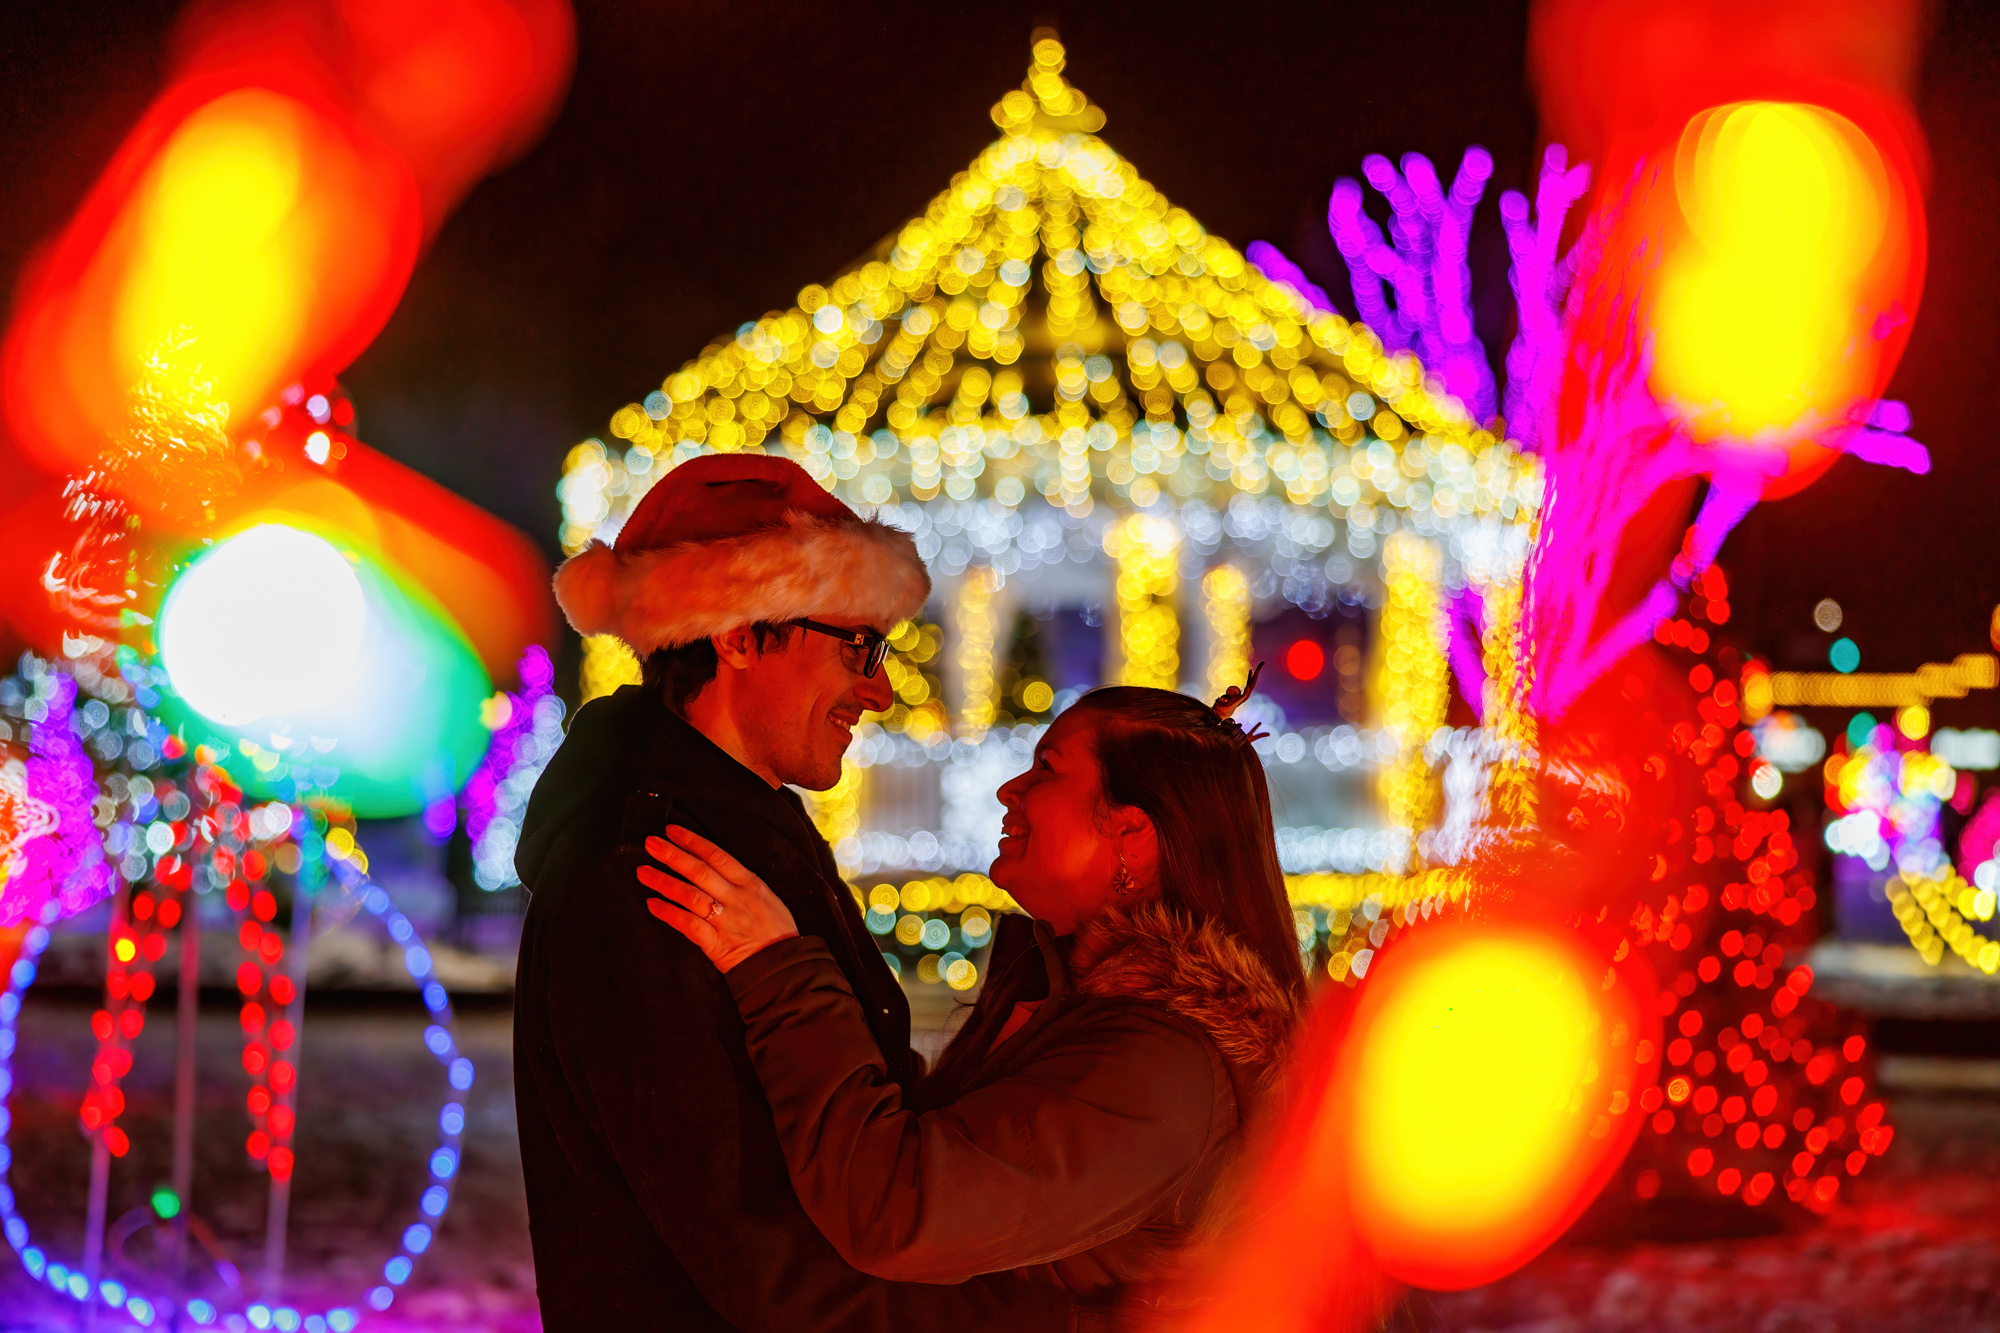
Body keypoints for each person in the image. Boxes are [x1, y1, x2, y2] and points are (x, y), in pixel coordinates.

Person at [513, 454, 1072, 1330]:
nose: (881, 688)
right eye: (859, 643)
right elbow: (765, 1262)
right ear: (738, 632)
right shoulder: (649, 874)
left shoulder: (744, 831)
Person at [641, 680, 1306, 1325]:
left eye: (1047, 769)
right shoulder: (1070, 995)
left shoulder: (1162, 1065)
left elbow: (896, 1205)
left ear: (1131, 833)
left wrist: (777, 972)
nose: (1008, 789)